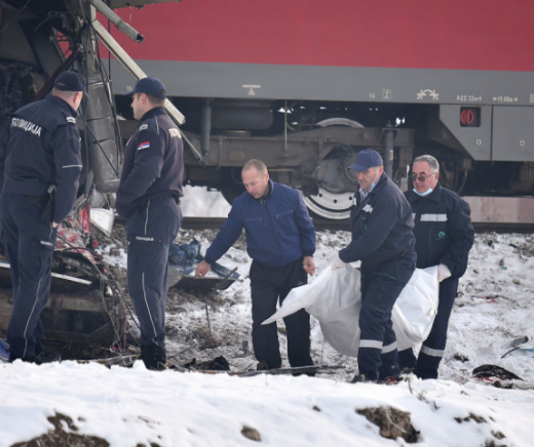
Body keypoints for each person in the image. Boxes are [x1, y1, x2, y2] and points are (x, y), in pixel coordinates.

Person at [0, 70, 85, 363]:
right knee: (35, 284)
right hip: (37, 210)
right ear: (77, 97)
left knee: (25, 277)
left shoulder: (23, 112)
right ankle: (21, 352)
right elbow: (70, 176)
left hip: (10, 202)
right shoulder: (64, 124)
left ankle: (34, 345)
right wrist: (59, 215)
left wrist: (7, 193)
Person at [195, 159, 317, 371]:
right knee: (262, 320)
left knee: (297, 319)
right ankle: (269, 365)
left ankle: (302, 367)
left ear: (265, 178)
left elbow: (307, 228)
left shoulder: (290, 197)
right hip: (263, 270)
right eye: (246, 185)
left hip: (293, 267)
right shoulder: (242, 204)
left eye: (254, 184)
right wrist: (208, 260)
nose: (250, 189)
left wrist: (308, 254)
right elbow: (227, 235)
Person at [115, 77, 184, 370]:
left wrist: (123, 203)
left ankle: (152, 352)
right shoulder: (170, 127)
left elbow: (147, 170)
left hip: (150, 212)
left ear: (143, 98)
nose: (130, 103)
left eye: (132, 98)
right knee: (153, 284)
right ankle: (154, 348)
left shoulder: (150, 128)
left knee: (141, 284)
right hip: (165, 211)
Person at [334, 148, 416, 382]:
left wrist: (344, 256)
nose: (359, 176)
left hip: (395, 263)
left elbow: (372, 239)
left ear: (379, 170)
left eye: (365, 172)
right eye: (357, 171)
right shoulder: (365, 191)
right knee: (380, 316)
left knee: (371, 315)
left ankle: (368, 373)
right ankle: (390, 371)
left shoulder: (387, 197)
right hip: (375, 261)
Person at [398, 155, 474, 379]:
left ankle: (427, 372)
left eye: (423, 176)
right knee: (401, 320)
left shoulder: (453, 203)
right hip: (409, 276)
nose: (418, 181)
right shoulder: (404, 201)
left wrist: (447, 267)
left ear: (435, 176)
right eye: (414, 176)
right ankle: (404, 362)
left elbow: (464, 238)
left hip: (440, 277)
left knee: (437, 326)